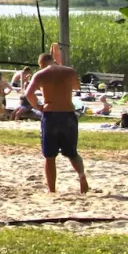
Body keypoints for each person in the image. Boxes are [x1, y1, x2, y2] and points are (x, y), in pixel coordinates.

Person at [23, 52, 91, 194]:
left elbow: (28, 93)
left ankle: (52, 189)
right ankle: (81, 175)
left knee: (50, 156)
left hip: (51, 114)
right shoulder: (69, 72)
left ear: (41, 64)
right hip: (68, 114)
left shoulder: (41, 74)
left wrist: (39, 106)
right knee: (72, 153)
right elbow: (76, 87)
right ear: (53, 60)